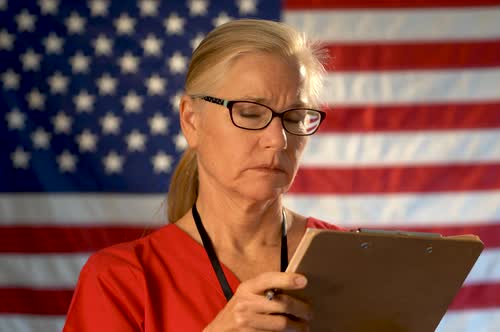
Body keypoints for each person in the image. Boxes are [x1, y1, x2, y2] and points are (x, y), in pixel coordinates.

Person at [63, 19, 343, 331]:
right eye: (250, 112)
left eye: (295, 117)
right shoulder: (120, 278)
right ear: (191, 121)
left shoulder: (350, 259)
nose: (278, 139)